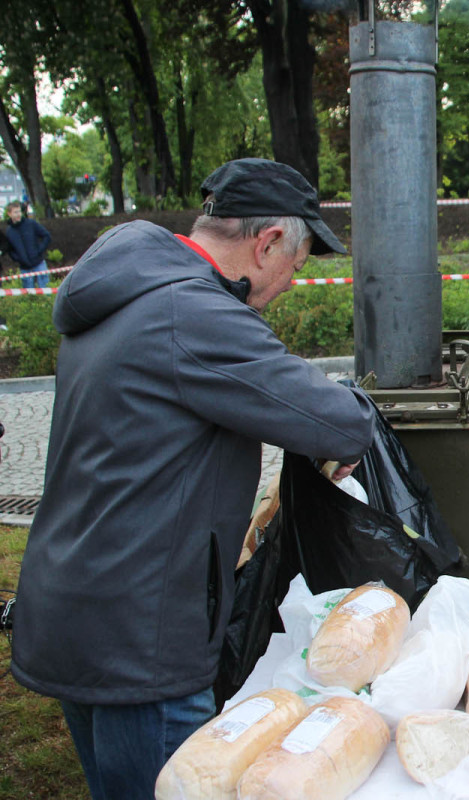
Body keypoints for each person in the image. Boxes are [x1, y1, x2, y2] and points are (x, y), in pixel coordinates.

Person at [10, 158, 377, 799]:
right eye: (297, 263)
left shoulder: (131, 285)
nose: (293, 281)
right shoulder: (194, 314)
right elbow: (340, 425)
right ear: (265, 244)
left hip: (77, 604)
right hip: (143, 635)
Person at [4, 201, 52, 289]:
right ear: (9, 214)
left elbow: (47, 236)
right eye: (15, 212)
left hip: (39, 263)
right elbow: (9, 249)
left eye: (19, 211)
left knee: (46, 290)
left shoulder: (31, 224)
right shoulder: (9, 232)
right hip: (24, 267)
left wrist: (39, 250)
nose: (18, 214)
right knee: (29, 293)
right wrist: (18, 258)